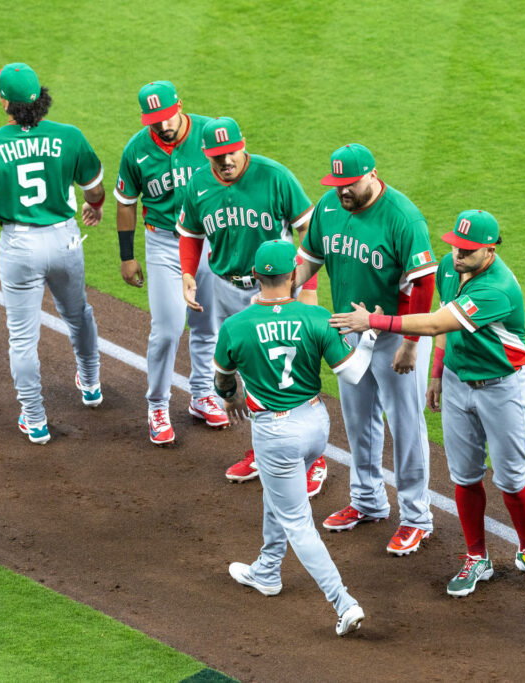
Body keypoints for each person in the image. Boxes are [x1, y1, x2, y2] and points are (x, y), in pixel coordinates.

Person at [330, 210, 525, 595]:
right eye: (455, 246)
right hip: (456, 381)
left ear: (490, 249)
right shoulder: (449, 270)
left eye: (467, 251)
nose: (457, 255)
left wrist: (374, 321)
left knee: (512, 477)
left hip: (501, 387)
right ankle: (476, 557)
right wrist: (437, 373)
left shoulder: (497, 287)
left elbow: (436, 322)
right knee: (465, 474)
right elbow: (442, 326)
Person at [220, 240, 376, 636]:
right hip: (315, 425)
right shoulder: (316, 317)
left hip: (275, 433)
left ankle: (344, 603)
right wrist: (370, 335)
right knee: (280, 495)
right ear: (293, 275)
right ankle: (267, 570)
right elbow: (354, 373)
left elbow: (222, 379)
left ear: (256, 275)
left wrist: (232, 395)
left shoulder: (235, 326)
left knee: (297, 521)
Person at [295, 143, 437, 555]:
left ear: (372, 175)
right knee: (358, 422)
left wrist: (411, 343)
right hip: (349, 332)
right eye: (337, 183)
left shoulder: (402, 217)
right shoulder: (328, 207)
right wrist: (284, 290)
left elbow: (424, 282)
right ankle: (369, 501)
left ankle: (416, 517)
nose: (342, 191)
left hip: (396, 334)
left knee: (406, 427)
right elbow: (309, 259)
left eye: (350, 184)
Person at [175, 116, 325, 494]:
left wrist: (305, 288)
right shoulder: (198, 186)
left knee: (293, 370)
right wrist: (188, 274)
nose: (225, 161)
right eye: (216, 156)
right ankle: (265, 451)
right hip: (227, 288)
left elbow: (308, 230)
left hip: (279, 289)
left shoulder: (275, 176)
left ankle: (314, 459)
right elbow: (190, 234)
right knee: (251, 373)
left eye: (230, 153)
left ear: (243, 145)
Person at [0, 62, 105, 445]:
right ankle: (91, 385)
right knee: (78, 314)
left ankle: (35, 418)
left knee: (22, 338)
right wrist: (98, 205)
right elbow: (93, 186)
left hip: (20, 246)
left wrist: (5, 204)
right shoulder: (70, 136)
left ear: (6, 104)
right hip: (65, 240)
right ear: (40, 98)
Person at [113, 80, 227, 445]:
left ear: (180, 105)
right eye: (154, 120)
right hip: (164, 244)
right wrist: (127, 255)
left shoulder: (210, 135)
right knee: (167, 329)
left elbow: (235, 179)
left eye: (166, 117)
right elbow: (126, 202)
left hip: (208, 241)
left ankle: (202, 395)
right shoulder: (136, 150)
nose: (162, 125)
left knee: (207, 324)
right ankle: (157, 406)